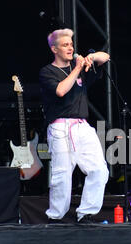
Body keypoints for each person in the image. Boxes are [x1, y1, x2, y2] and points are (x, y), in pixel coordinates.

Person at [39, 28, 110, 223]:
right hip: (60, 126)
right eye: (65, 45)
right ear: (54, 49)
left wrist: (91, 57)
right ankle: (55, 217)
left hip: (83, 125)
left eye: (71, 44)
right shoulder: (47, 72)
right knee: (62, 174)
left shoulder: (81, 67)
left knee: (99, 169)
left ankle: (86, 212)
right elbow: (61, 90)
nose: (70, 48)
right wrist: (78, 68)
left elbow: (105, 57)